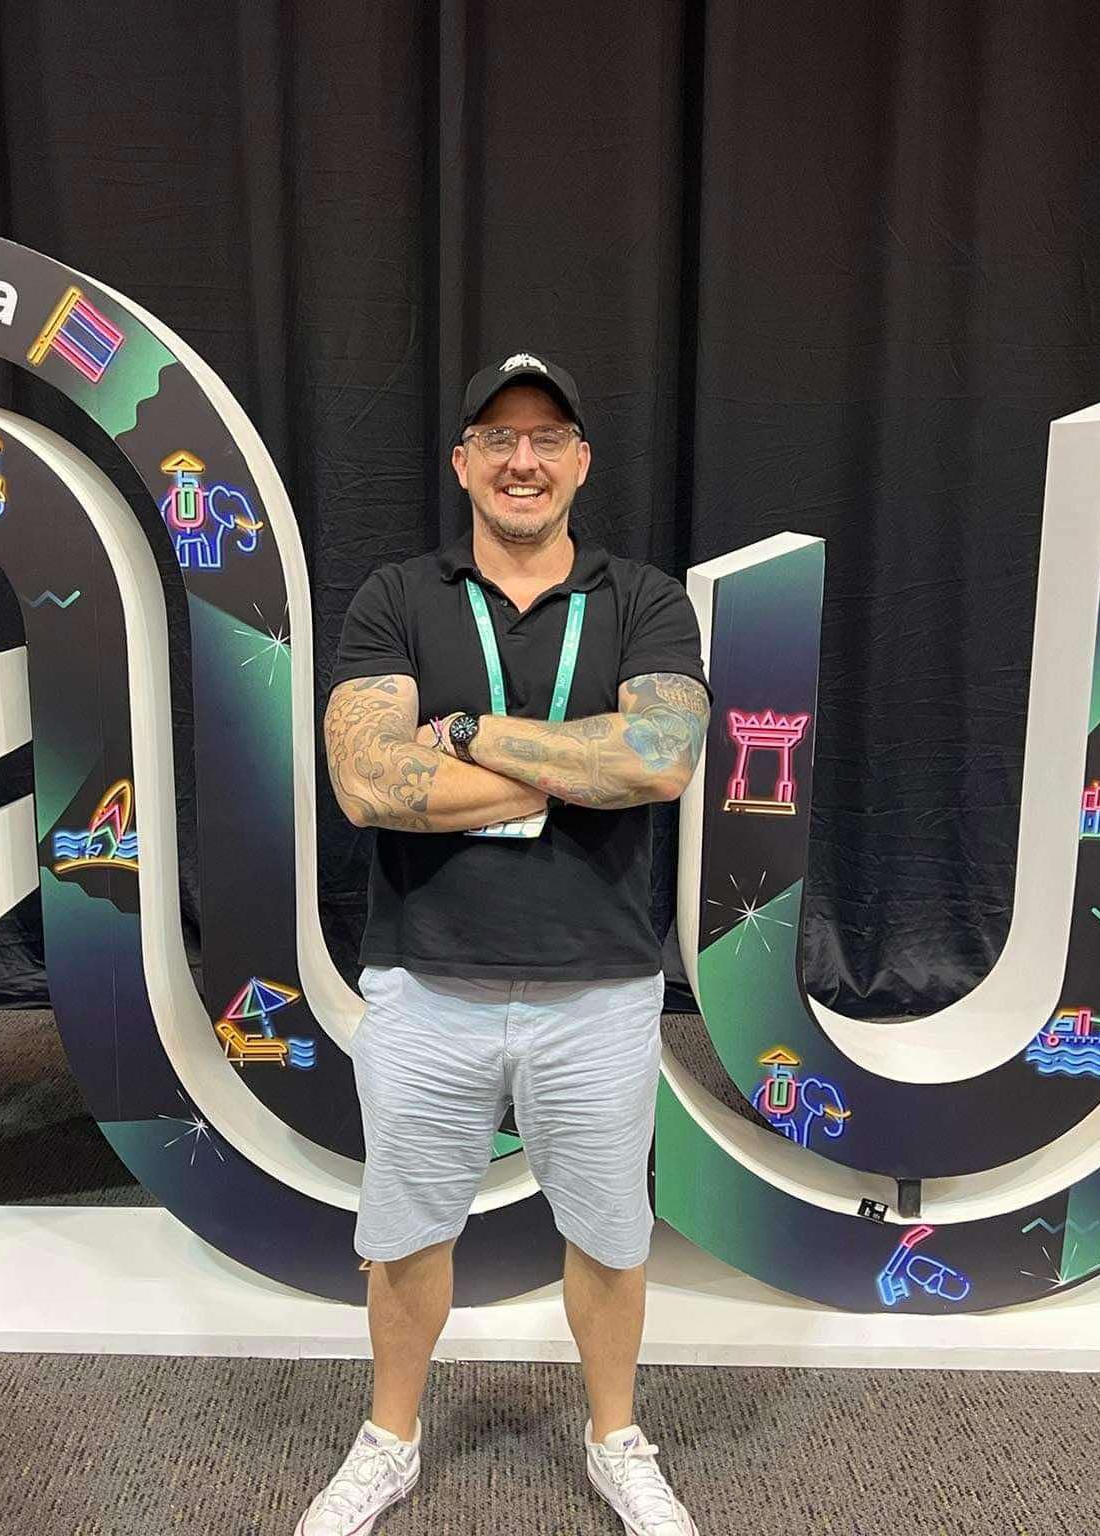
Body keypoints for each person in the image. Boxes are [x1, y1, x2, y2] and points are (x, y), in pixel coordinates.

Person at [302, 353, 711, 1535]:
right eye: (495, 438)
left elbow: (660, 761)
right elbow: (366, 782)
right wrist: (571, 769)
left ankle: (614, 1439)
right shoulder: (396, 597)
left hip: (600, 984)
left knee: (609, 1235)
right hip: (426, 980)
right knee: (403, 1233)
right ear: (461, 463)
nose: (520, 460)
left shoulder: (643, 600)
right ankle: (387, 1441)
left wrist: (470, 735)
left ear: (579, 462)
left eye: (543, 439)